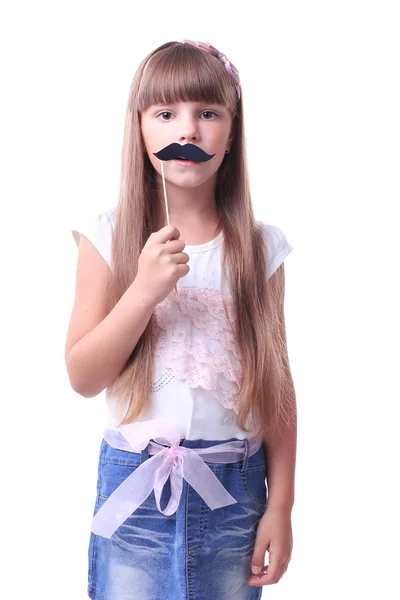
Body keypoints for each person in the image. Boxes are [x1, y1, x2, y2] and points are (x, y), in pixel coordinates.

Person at [66, 39, 297, 600]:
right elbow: (83, 376)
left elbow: (276, 388)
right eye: (166, 114)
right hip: (135, 488)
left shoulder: (259, 249)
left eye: (208, 114)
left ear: (232, 130)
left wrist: (282, 505)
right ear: (140, 129)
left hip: (235, 487)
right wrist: (143, 291)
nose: (187, 132)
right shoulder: (110, 236)